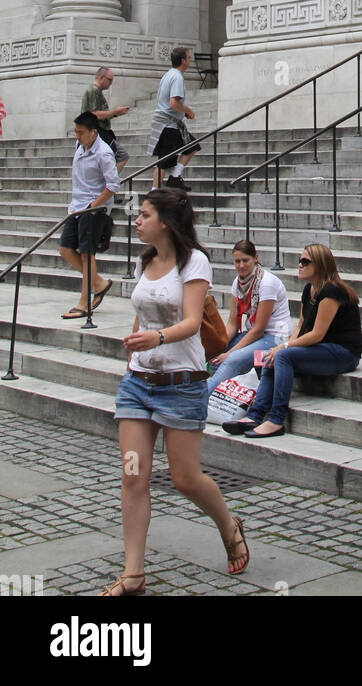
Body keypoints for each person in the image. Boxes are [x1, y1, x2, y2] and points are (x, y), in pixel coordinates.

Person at [103, 188, 249, 595]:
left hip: (181, 385)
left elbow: (190, 321)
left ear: (164, 222)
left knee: (186, 479)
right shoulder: (144, 260)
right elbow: (142, 314)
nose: (136, 220)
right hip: (137, 384)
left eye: (144, 214)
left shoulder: (193, 261)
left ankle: (227, 524)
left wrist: (158, 338)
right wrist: (136, 343)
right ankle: (133, 574)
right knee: (133, 476)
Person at [222, 243, 362, 438]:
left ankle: (276, 420)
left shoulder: (331, 292)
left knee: (282, 356)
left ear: (320, 265)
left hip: (344, 352)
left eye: (306, 261)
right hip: (320, 348)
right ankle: (254, 416)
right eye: (300, 260)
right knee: (269, 358)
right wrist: (280, 347)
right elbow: (300, 327)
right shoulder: (309, 290)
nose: (300, 265)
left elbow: (317, 334)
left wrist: (284, 346)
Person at [206, 240, 291, 397]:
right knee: (215, 356)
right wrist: (220, 347)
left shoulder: (267, 283)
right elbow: (232, 324)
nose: (241, 265)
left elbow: (258, 330)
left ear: (255, 258)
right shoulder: (236, 283)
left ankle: (201, 399)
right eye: (237, 261)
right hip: (254, 335)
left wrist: (229, 353)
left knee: (233, 359)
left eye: (245, 260)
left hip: (275, 338)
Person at [58, 112, 119, 320]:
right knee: (65, 249)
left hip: (94, 209)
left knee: (86, 254)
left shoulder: (104, 153)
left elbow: (113, 185)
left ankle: (84, 303)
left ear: (93, 133)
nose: (77, 136)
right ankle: (99, 283)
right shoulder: (80, 147)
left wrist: (94, 204)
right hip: (77, 207)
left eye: (81, 132)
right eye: (76, 132)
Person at [147, 46, 200, 190]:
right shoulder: (177, 77)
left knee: (192, 146)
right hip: (168, 125)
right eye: (188, 58)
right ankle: (156, 191)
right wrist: (188, 110)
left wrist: (183, 113)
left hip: (169, 124)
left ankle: (175, 177)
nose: (190, 60)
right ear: (183, 60)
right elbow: (173, 102)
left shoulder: (168, 75)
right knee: (164, 162)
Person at [81, 65, 130, 167]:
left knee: (111, 158)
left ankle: (108, 180)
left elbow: (99, 113)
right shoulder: (93, 91)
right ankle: (109, 181)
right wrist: (114, 112)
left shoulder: (96, 91)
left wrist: (115, 113)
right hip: (98, 132)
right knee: (121, 155)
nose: (111, 83)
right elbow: (94, 114)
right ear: (102, 77)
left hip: (99, 132)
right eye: (110, 80)